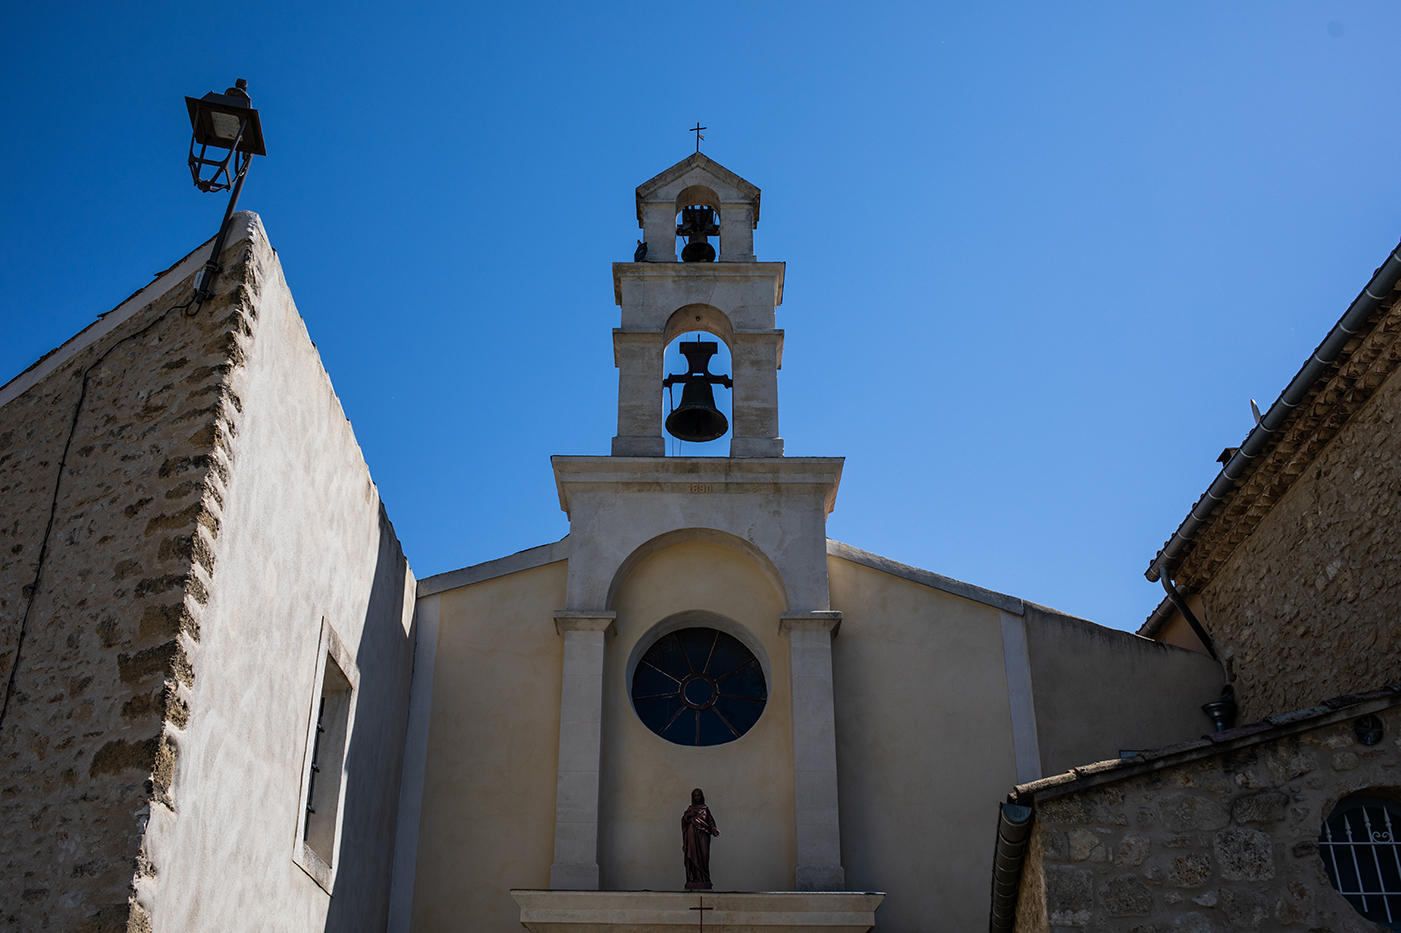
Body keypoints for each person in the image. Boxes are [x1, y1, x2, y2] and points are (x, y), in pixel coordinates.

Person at [682, 787, 720, 890]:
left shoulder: (705, 809)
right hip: (692, 835)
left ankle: (704, 878)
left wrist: (714, 829)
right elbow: (684, 822)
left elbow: (710, 821)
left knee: (704, 854)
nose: (697, 797)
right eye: (695, 796)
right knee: (693, 855)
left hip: (703, 835)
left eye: (698, 795)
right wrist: (689, 815)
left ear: (701, 796)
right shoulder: (690, 809)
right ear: (693, 797)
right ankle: (694, 879)